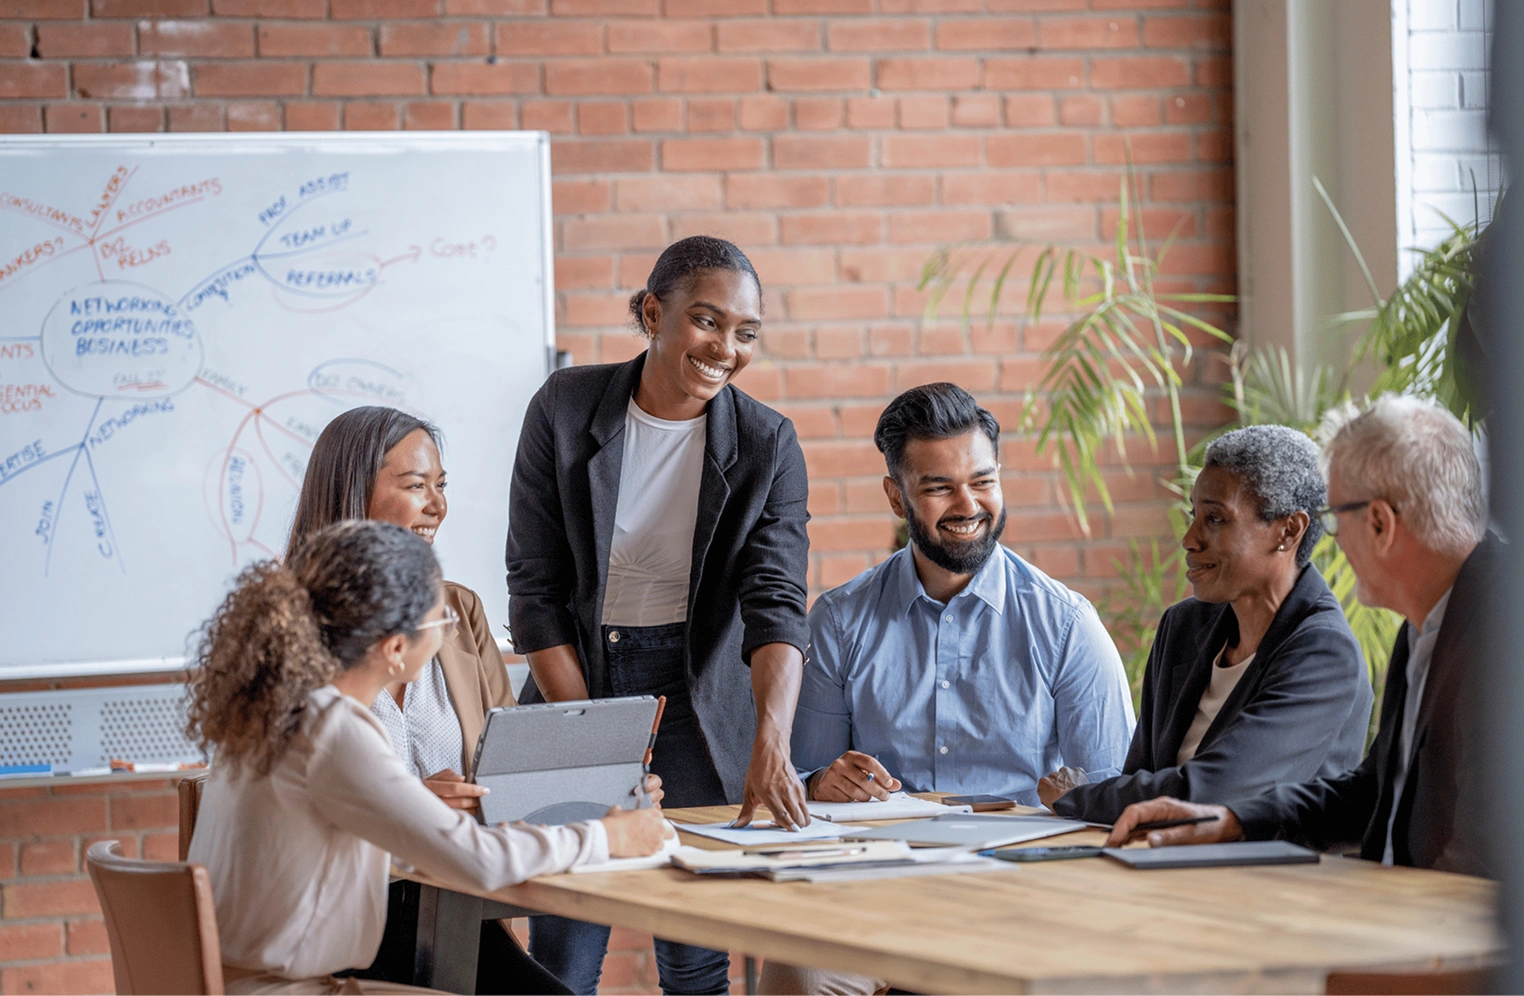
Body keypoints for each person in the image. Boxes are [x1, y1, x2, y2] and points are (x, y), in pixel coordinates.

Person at [507, 236, 811, 995]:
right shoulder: (565, 408)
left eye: (746, 332)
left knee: (695, 952)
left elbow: (775, 602)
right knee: (564, 945)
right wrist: (590, 739)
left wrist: (771, 737)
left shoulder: (768, 443)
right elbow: (535, 590)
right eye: (707, 321)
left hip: (696, 692)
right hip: (576, 680)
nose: (725, 349)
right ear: (652, 313)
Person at [185, 520, 670, 995]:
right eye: (442, 621)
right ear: (396, 648)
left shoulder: (276, 710)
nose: (449, 632)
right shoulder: (333, 727)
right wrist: (606, 835)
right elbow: (477, 860)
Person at [763, 382, 1134, 996]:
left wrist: (1073, 805)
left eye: (982, 481)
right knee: (796, 973)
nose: (968, 504)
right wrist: (822, 781)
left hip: (1023, 893)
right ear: (896, 496)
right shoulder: (839, 621)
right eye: (939, 487)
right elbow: (805, 782)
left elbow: (1115, 797)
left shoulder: (1067, 625)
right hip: (877, 891)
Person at [1105, 396, 1495, 878]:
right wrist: (1234, 821)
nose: (1331, 541)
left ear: (1380, 523)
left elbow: (1485, 857)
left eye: (1334, 519)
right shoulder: (1427, 627)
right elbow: (1372, 794)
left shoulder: (1500, 635)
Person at [289, 406, 573, 993]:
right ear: (353, 494)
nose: (438, 505)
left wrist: (599, 793)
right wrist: (409, 806)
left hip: (456, 909)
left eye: (441, 486)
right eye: (417, 485)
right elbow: (298, 809)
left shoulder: (458, 610)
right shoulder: (284, 630)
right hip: (342, 927)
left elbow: (508, 775)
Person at [1039, 425, 1372, 824]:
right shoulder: (1181, 627)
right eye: (1193, 514)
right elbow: (1140, 775)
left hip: (1265, 863)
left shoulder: (1325, 653)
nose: (1190, 539)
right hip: (1154, 852)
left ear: (1288, 531)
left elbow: (1216, 790)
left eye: (1215, 518)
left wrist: (1080, 797)